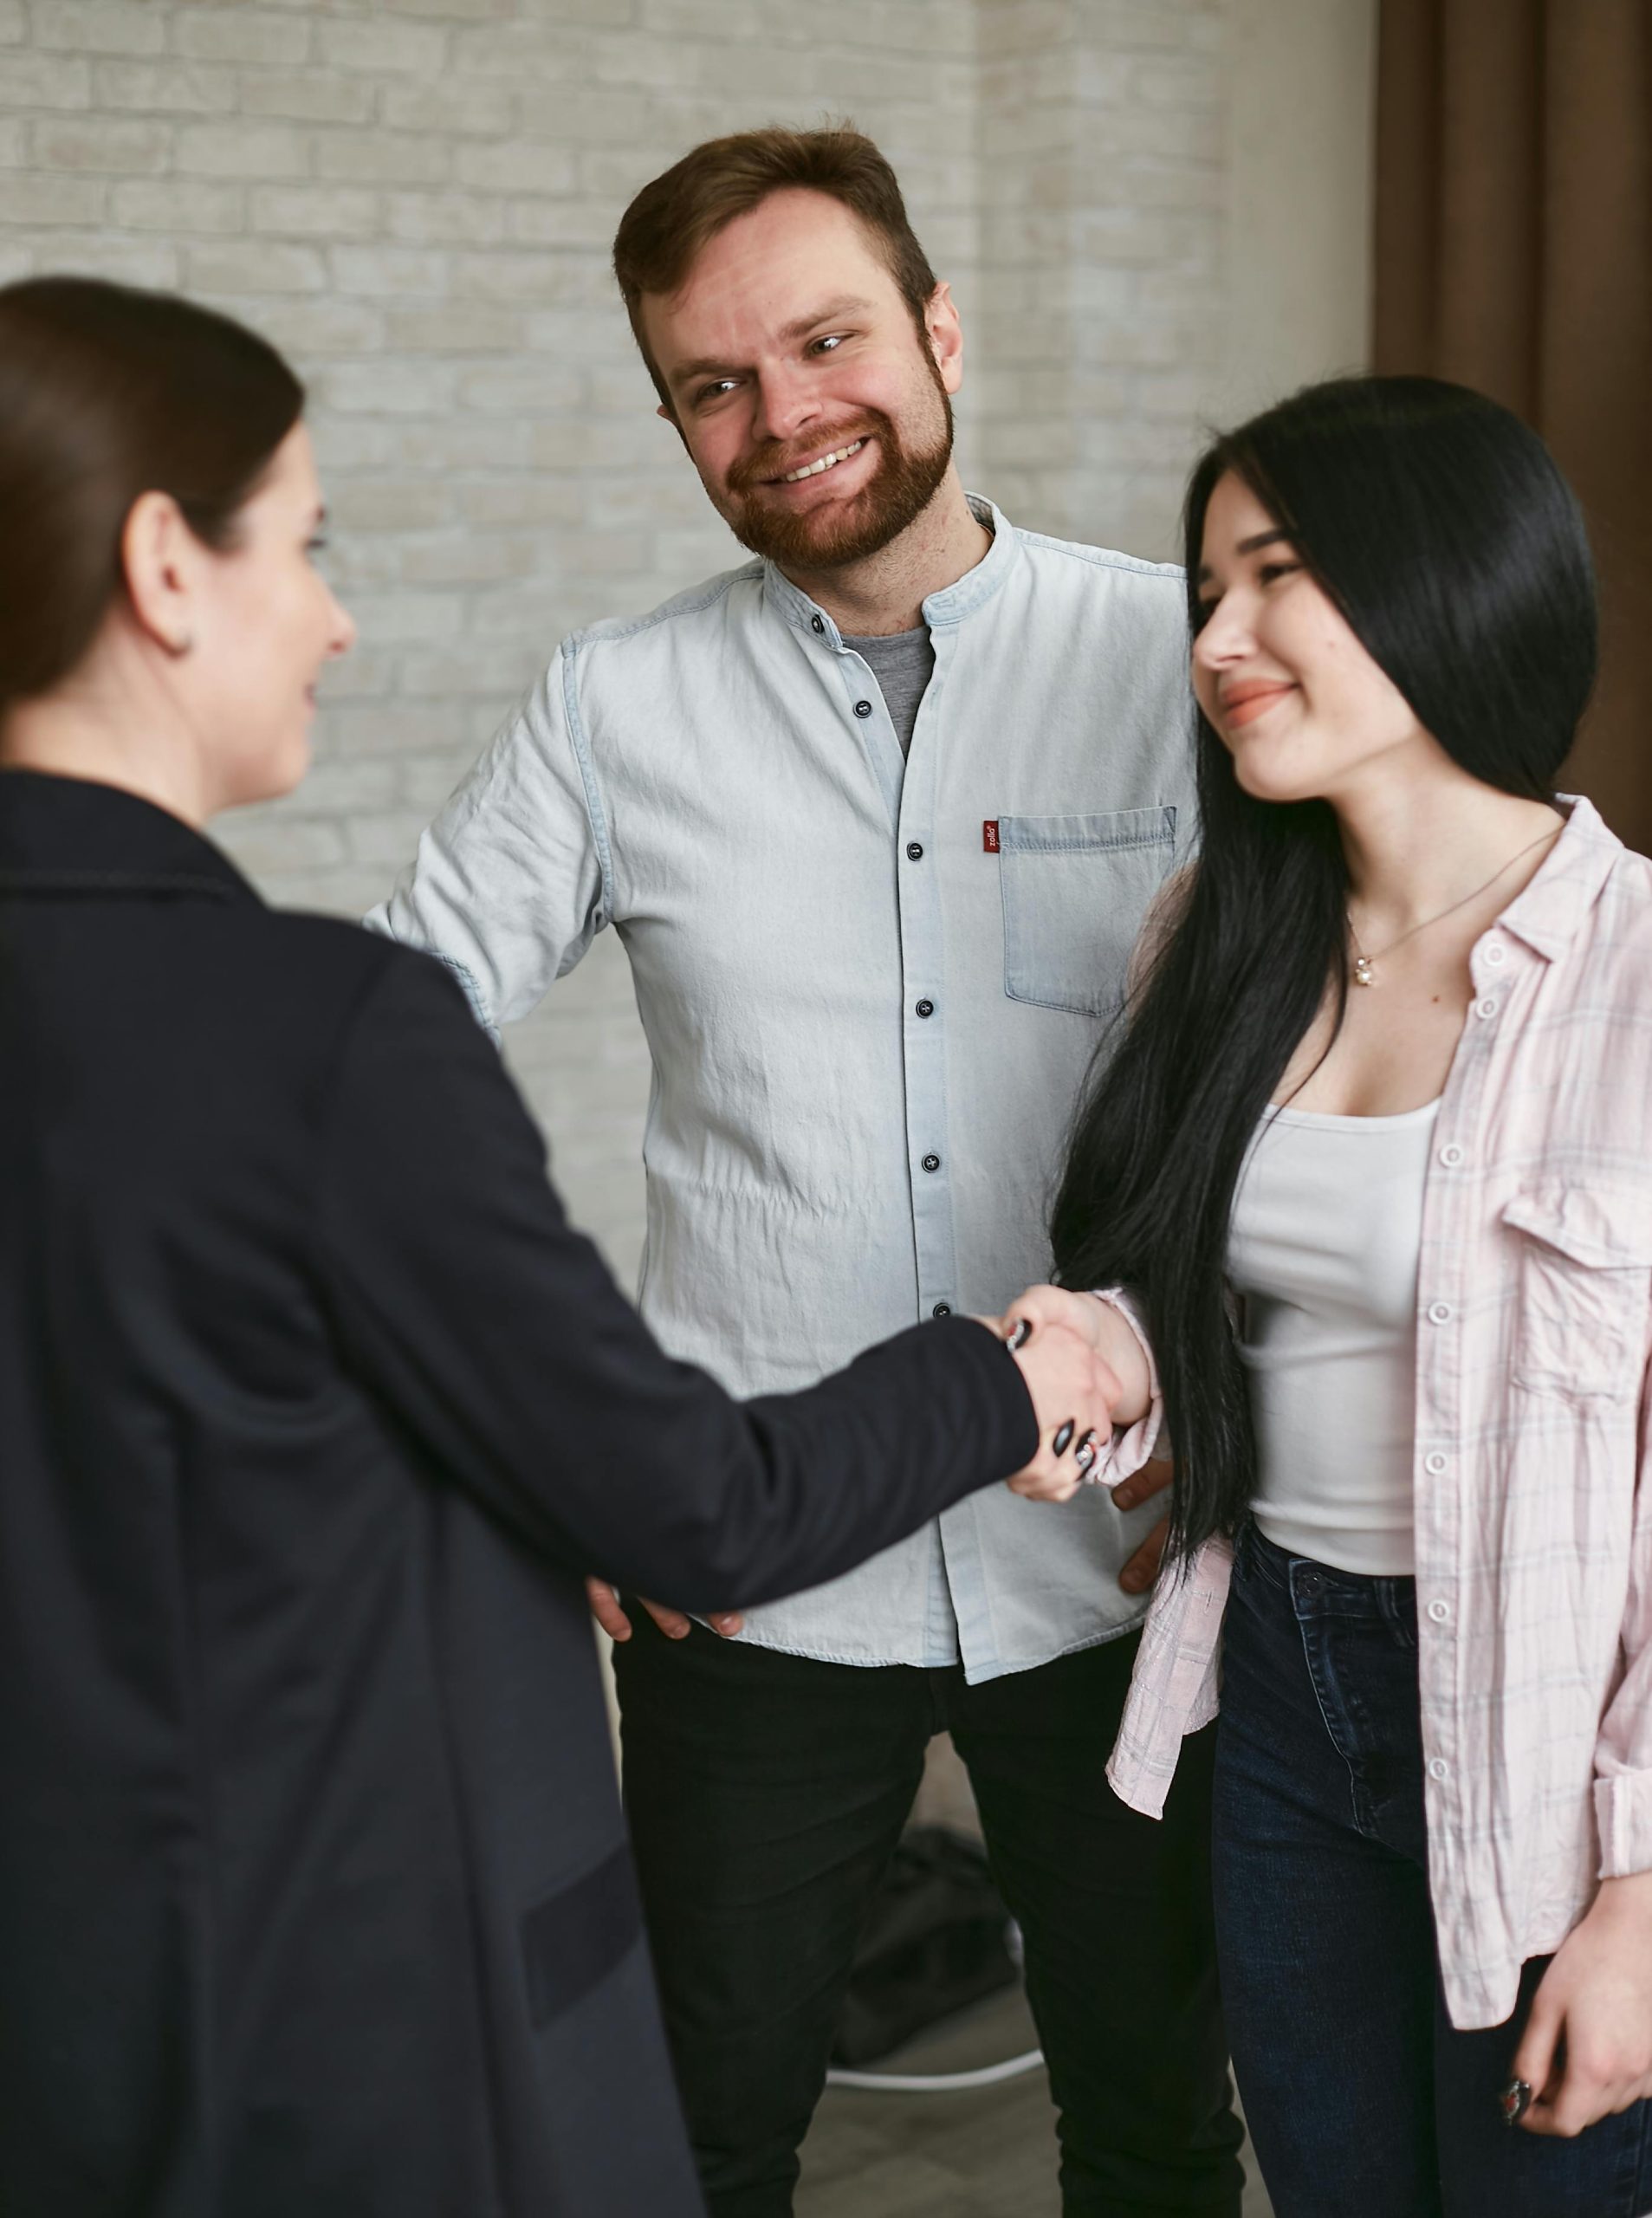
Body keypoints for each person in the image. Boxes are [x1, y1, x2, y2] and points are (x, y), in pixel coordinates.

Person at [0, 274, 1120, 2218]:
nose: (337, 613)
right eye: (309, 544)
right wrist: (1014, 1371)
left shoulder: (1159, 650)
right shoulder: (323, 1028)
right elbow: (690, 1502)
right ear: (165, 569)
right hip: (328, 2025)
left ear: (945, 331)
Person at [370, 126, 1244, 2216]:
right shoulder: (613, 706)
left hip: (1127, 1568)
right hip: (749, 1586)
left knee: (1153, 2128)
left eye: (827, 338)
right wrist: (539, 1439)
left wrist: (1238, 1417)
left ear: (939, 329)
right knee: (686, 2139)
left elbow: (1356, 1053)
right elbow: (363, 1078)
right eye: (713, 382)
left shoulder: (1189, 665)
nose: (784, 415)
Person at [1012, 373, 1652, 2216]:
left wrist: (1643, 1893)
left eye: (1274, 574)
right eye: (1205, 587)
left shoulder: (1637, 973)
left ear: (1448, 582)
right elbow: (1203, 1294)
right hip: (1280, 1679)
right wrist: (1088, 1360)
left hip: (1554, 1732)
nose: (1219, 638)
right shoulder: (1214, 934)